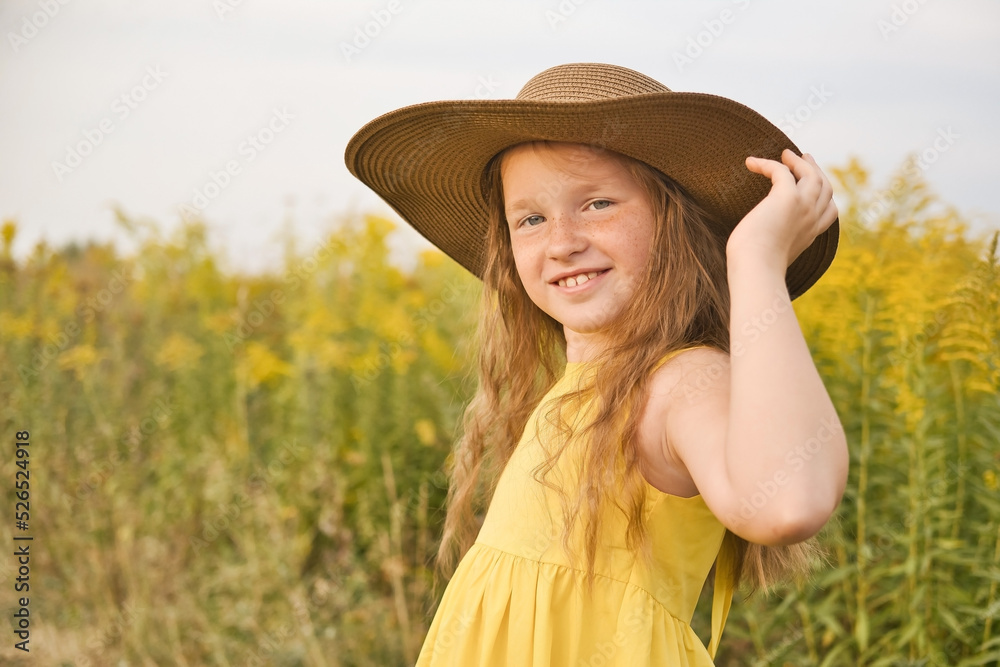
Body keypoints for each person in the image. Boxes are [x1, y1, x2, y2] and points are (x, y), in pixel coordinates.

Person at [345, 62, 849, 666]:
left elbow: (788, 503)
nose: (561, 241)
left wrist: (755, 262)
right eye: (530, 219)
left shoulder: (681, 382)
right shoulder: (579, 390)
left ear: (677, 223)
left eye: (597, 203)